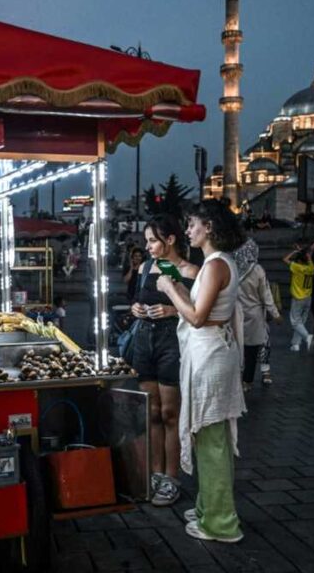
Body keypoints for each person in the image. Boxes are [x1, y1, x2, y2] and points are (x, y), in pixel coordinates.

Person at [155, 200, 246, 543]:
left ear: (208, 226)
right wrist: (178, 288)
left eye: (192, 224)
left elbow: (196, 317)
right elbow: (199, 309)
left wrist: (168, 289)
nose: (188, 230)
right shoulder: (217, 263)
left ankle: (221, 523)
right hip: (212, 351)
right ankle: (210, 506)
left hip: (210, 355)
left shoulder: (215, 265)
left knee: (211, 441)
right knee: (211, 438)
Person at [130, 215, 199, 507]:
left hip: (173, 344)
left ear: (170, 240)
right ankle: (156, 473)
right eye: (146, 240)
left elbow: (197, 311)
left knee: (171, 413)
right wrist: (136, 308)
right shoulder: (145, 268)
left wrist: (171, 311)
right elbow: (137, 298)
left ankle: (172, 478)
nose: (148, 246)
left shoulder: (190, 270)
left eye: (153, 240)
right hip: (145, 342)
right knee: (152, 412)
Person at [234, 238, 280, 391]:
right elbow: (265, 294)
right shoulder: (258, 270)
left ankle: (236, 380)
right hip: (254, 316)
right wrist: (275, 313)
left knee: (236, 349)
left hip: (236, 314)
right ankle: (247, 381)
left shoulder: (233, 267)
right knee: (252, 351)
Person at [283, 244, 314, 351]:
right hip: (308, 298)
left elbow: (285, 259)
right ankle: (296, 344)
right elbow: (309, 259)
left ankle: (307, 337)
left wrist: (294, 252)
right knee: (301, 322)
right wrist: (303, 253)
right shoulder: (311, 267)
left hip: (298, 298)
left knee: (295, 322)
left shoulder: (297, 267)